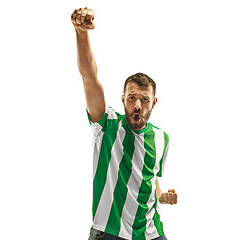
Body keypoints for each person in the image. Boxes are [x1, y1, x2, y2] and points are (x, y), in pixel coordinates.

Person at [71, 7, 178, 240]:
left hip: (151, 233)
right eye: (132, 98)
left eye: (144, 99)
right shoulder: (107, 125)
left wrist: (162, 197)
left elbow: (150, 178)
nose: (137, 105)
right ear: (123, 100)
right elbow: (90, 79)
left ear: (154, 103)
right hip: (110, 232)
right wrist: (81, 33)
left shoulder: (162, 138)